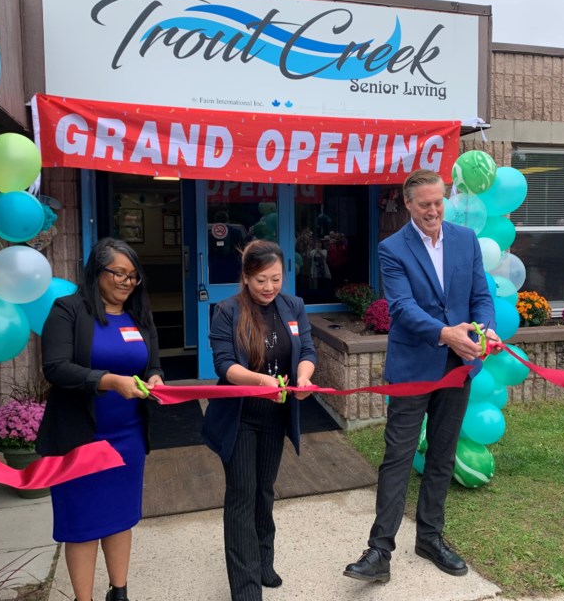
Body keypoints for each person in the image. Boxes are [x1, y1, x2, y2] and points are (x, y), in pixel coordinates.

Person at [344, 168, 499, 583]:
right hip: (413, 368)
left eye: (439, 202)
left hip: (457, 369)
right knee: (397, 457)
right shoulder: (392, 248)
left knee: (442, 455)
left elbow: (480, 296)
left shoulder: (465, 240)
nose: (433, 210)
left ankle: (430, 537)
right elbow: (402, 308)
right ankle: (380, 551)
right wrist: (446, 334)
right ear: (409, 204)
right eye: (425, 204)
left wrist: (483, 330)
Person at [37, 237, 164, 601]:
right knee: (82, 525)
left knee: (121, 516)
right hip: (80, 439)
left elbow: (151, 362)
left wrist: (155, 377)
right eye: (118, 274)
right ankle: (84, 598)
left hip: (128, 436)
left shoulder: (139, 313)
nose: (126, 282)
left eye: (133, 276)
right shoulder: (68, 310)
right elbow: (56, 368)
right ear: (96, 271)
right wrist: (108, 381)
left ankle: (119, 591)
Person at [201, 239, 318, 601]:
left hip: (276, 415)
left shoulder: (293, 306)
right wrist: (260, 381)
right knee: (241, 495)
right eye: (261, 280)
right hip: (240, 416)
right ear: (246, 277)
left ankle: (264, 560)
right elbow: (224, 365)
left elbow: (308, 351)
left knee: (264, 491)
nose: (269, 288)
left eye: (276, 279)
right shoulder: (227, 310)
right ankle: (246, 586)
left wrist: (303, 376)